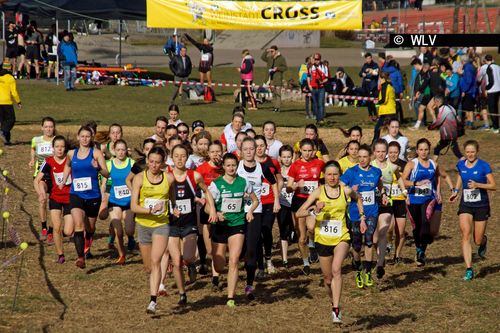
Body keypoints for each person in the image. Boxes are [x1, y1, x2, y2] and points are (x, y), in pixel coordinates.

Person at [296, 161, 364, 323]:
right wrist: (315, 209)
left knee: (336, 270)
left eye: (335, 174)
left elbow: (358, 198)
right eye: (329, 174)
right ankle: (332, 301)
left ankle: (336, 308)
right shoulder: (318, 192)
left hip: (342, 237)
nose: (332, 177)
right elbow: (299, 213)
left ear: (339, 175)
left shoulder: (345, 190)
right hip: (323, 239)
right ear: (324, 176)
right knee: (327, 279)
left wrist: (362, 217)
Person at [168, 144, 217, 303]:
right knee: (176, 262)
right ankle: (182, 294)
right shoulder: (167, 176)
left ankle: (190, 265)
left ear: (187, 157)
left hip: (189, 223)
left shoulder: (194, 176)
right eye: (176, 156)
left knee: (188, 257)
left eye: (183, 156)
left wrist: (212, 209)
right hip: (171, 225)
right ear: (172, 157)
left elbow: (206, 191)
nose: (180, 159)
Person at [208, 153, 258, 308]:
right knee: (219, 266)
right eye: (228, 165)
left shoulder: (244, 182)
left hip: (238, 223)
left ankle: (231, 297)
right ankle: (217, 269)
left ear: (237, 166)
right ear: (223, 166)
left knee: (234, 261)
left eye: (234, 165)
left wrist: (249, 211)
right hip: (220, 226)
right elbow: (206, 207)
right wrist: (215, 213)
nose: (231, 168)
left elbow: (255, 200)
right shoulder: (216, 184)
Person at [130, 147, 175, 314]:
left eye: (158, 162)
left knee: (156, 261)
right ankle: (154, 285)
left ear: (163, 163)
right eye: (151, 162)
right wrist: (150, 210)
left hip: (161, 224)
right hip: (143, 224)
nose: (154, 165)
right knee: (149, 266)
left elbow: (172, 197)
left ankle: (152, 301)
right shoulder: (139, 178)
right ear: (147, 161)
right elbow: (133, 206)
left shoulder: (169, 179)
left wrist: (174, 208)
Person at [61, 126, 109, 268]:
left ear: (92, 138)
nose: (85, 139)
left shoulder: (96, 153)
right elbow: (67, 166)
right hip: (76, 194)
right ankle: (81, 257)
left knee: (90, 228)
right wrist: (63, 180)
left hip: (93, 195)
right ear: (78, 137)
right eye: (82, 136)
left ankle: (88, 243)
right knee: (78, 225)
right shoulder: (71, 153)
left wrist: (98, 168)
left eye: (88, 136)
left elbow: (107, 173)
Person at [238, 137, 278, 299]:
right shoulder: (237, 166)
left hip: (256, 210)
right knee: (241, 248)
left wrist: (276, 200)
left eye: (251, 149)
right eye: (245, 149)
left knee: (252, 247)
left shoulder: (262, 167)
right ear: (241, 151)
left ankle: (249, 284)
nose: (248, 151)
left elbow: (274, 182)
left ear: (256, 150)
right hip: (238, 212)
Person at [450, 140, 496, 280]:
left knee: (477, 239)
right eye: (468, 152)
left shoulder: (483, 166)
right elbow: (460, 175)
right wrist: (456, 191)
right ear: (465, 152)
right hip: (466, 205)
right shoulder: (461, 164)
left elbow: (493, 185)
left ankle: (483, 241)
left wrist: (478, 185)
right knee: (465, 234)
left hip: (481, 205)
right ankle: (469, 268)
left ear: (477, 152)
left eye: (472, 152)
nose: (470, 154)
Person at [340, 144, 385, 288]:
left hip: (372, 211)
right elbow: (339, 186)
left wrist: (383, 194)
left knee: (370, 238)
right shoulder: (351, 172)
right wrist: (349, 189)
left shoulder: (376, 171)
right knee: (357, 244)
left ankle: (367, 271)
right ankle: (358, 267)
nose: (362, 159)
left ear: (370, 157)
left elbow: (379, 184)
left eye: (365, 157)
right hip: (355, 213)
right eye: (359, 157)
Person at [287, 138, 326, 275]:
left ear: (314, 151)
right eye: (305, 151)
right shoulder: (295, 166)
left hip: (313, 202)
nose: (308, 153)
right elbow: (288, 188)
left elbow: (328, 177)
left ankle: (312, 245)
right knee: (301, 237)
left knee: (311, 228)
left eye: (310, 151)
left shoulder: (319, 163)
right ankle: (305, 263)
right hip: (299, 202)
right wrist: (296, 186)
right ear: (300, 151)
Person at [402, 138, 441, 267]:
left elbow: (438, 177)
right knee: (417, 226)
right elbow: (402, 181)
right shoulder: (412, 164)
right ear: (417, 151)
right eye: (421, 150)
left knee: (426, 222)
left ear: (429, 150)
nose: (423, 152)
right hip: (413, 199)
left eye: (426, 149)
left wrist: (438, 192)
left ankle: (422, 251)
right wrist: (415, 183)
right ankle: (419, 249)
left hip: (428, 199)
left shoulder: (433, 164)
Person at [34, 135, 74, 264]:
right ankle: (60, 254)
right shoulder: (49, 161)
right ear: (53, 148)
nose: (60, 149)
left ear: (66, 148)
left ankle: (62, 237)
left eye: (62, 147)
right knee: (56, 227)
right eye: (57, 147)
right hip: (55, 198)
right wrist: (41, 193)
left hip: (69, 198)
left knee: (68, 231)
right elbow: (37, 180)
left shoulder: (71, 160)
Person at [371, 140, 405, 278]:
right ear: (374, 152)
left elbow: (399, 178)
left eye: (383, 151)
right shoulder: (370, 165)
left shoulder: (393, 167)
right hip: (372, 205)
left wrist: (404, 191)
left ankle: (379, 264)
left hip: (386, 204)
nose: (380, 154)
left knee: (384, 232)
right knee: (373, 239)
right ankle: (381, 256)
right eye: (378, 151)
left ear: (386, 152)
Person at [196, 141, 224, 288]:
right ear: (208, 153)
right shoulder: (201, 169)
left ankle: (215, 277)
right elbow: (193, 186)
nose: (215, 154)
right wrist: (198, 197)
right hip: (206, 209)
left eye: (218, 151)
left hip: (222, 210)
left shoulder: (225, 168)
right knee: (209, 250)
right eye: (212, 152)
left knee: (219, 244)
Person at [102, 139, 135, 265]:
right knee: (118, 231)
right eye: (118, 150)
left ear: (126, 150)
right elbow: (106, 183)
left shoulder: (132, 163)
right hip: (114, 201)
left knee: (129, 230)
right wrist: (104, 198)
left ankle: (131, 237)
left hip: (129, 202)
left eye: (123, 150)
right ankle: (122, 255)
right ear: (114, 151)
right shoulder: (109, 164)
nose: (121, 152)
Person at [255, 135, 282, 274]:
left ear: (266, 146)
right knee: (257, 233)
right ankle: (260, 266)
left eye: (262, 145)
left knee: (266, 230)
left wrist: (277, 198)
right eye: (257, 146)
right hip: (255, 204)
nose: (259, 148)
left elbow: (278, 180)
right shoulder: (247, 163)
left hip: (270, 202)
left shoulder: (273, 162)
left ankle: (269, 260)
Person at [30, 117, 56, 242]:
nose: (48, 129)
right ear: (42, 128)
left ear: (54, 128)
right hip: (40, 175)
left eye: (50, 126)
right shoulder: (36, 140)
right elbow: (33, 149)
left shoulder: (57, 141)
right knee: (42, 200)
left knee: (54, 205)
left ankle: (51, 231)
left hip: (55, 177)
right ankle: (44, 227)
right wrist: (32, 159)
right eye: (46, 126)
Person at [387, 141, 408, 264]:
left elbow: (409, 181)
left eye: (395, 152)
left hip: (400, 201)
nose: (393, 155)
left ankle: (397, 255)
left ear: (399, 152)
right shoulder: (384, 165)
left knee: (400, 231)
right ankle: (389, 243)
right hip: (388, 201)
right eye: (391, 152)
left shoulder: (404, 165)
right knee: (389, 228)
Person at [428, 94, 463, 160]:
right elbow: (458, 119)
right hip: (453, 134)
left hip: (448, 135)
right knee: (437, 149)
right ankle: (433, 166)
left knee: (457, 153)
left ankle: (467, 165)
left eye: (434, 102)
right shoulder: (450, 107)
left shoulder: (443, 109)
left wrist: (430, 127)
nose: (433, 104)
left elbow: (438, 122)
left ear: (437, 101)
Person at [277, 145, 294, 267]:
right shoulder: (277, 171)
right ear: (280, 158)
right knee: (283, 229)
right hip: (282, 203)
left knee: (296, 229)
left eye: (289, 157)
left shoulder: (296, 169)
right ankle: (285, 259)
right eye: (284, 157)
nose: (287, 159)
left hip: (295, 203)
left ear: (292, 158)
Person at [261, 45, 287, 113]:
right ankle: (275, 107)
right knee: (273, 94)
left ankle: (278, 108)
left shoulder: (281, 58)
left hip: (278, 78)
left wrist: (277, 68)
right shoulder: (270, 58)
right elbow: (263, 58)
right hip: (271, 79)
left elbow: (285, 67)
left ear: (276, 51)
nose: (271, 53)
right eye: (271, 51)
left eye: (272, 51)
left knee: (278, 94)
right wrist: (266, 51)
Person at [478, 54, 500, 134]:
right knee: (496, 108)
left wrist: (486, 88)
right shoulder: (498, 66)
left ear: (485, 61)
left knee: (492, 109)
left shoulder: (486, 67)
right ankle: (496, 125)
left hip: (491, 90)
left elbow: (487, 80)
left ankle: (495, 127)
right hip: (498, 89)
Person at [0, 63, 22, 144]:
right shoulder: (10, 78)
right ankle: (2, 132)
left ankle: (7, 140)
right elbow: (14, 92)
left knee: (3, 121)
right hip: (6, 102)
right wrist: (18, 101)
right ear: (9, 69)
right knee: (11, 120)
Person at [372, 72, 396, 144]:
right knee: (392, 129)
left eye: (379, 78)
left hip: (387, 112)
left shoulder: (385, 86)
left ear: (381, 78)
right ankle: (403, 142)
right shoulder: (389, 85)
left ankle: (374, 143)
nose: (378, 80)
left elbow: (384, 100)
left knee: (377, 128)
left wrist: (377, 102)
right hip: (389, 111)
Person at [410, 59, 432, 129]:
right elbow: (417, 84)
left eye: (414, 66)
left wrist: (419, 92)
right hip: (420, 92)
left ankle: (421, 122)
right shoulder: (419, 73)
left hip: (425, 92)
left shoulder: (424, 71)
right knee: (419, 106)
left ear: (416, 64)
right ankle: (421, 121)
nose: (414, 68)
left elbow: (424, 82)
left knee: (418, 106)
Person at [458, 54, 477, 128]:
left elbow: (469, 81)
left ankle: (471, 123)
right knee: (467, 107)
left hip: (469, 91)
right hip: (468, 90)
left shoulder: (468, 68)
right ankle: (469, 122)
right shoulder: (467, 67)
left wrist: (464, 90)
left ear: (463, 61)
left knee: (469, 108)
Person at [308, 53, 328, 124]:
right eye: (315, 59)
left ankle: (321, 119)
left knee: (320, 104)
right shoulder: (311, 67)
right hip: (313, 88)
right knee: (315, 104)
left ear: (320, 59)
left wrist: (322, 82)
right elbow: (309, 77)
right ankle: (317, 118)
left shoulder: (324, 67)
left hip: (321, 88)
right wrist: (309, 85)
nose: (316, 61)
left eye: (317, 59)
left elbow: (327, 78)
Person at [359, 53, 379, 121]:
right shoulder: (365, 65)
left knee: (372, 101)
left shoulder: (375, 65)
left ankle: (375, 115)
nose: (368, 59)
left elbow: (376, 74)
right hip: (365, 85)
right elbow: (360, 73)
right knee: (368, 101)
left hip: (372, 85)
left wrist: (370, 71)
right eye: (367, 58)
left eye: (369, 58)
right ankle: (370, 115)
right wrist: (362, 73)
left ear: (371, 58)